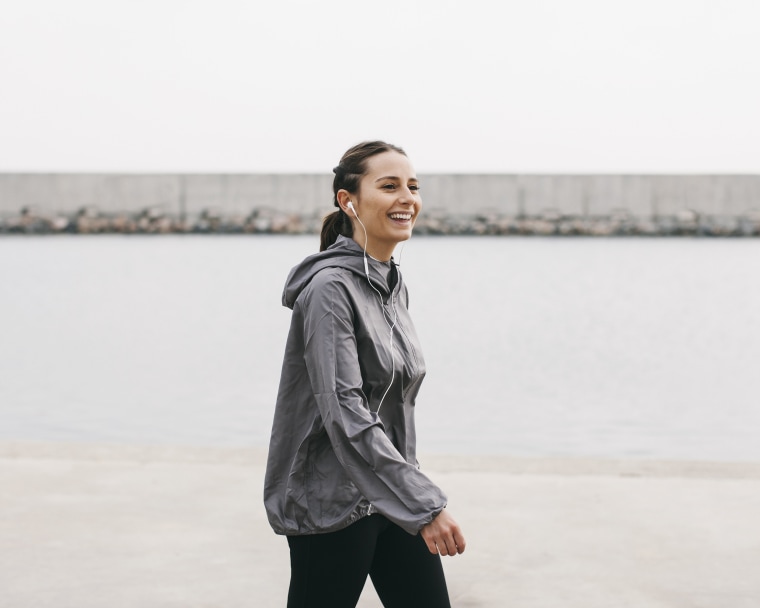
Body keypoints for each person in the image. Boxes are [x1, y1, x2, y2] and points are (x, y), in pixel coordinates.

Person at [264, 141, 466, 608]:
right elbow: (344, 410)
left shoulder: (390, 284)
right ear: (347, 200)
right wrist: (425, 502)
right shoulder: (329, 290)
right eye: (389, 185)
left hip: (389, 494)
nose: (407, 198)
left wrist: (407, 492)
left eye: (413, 187)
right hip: (331, 501)